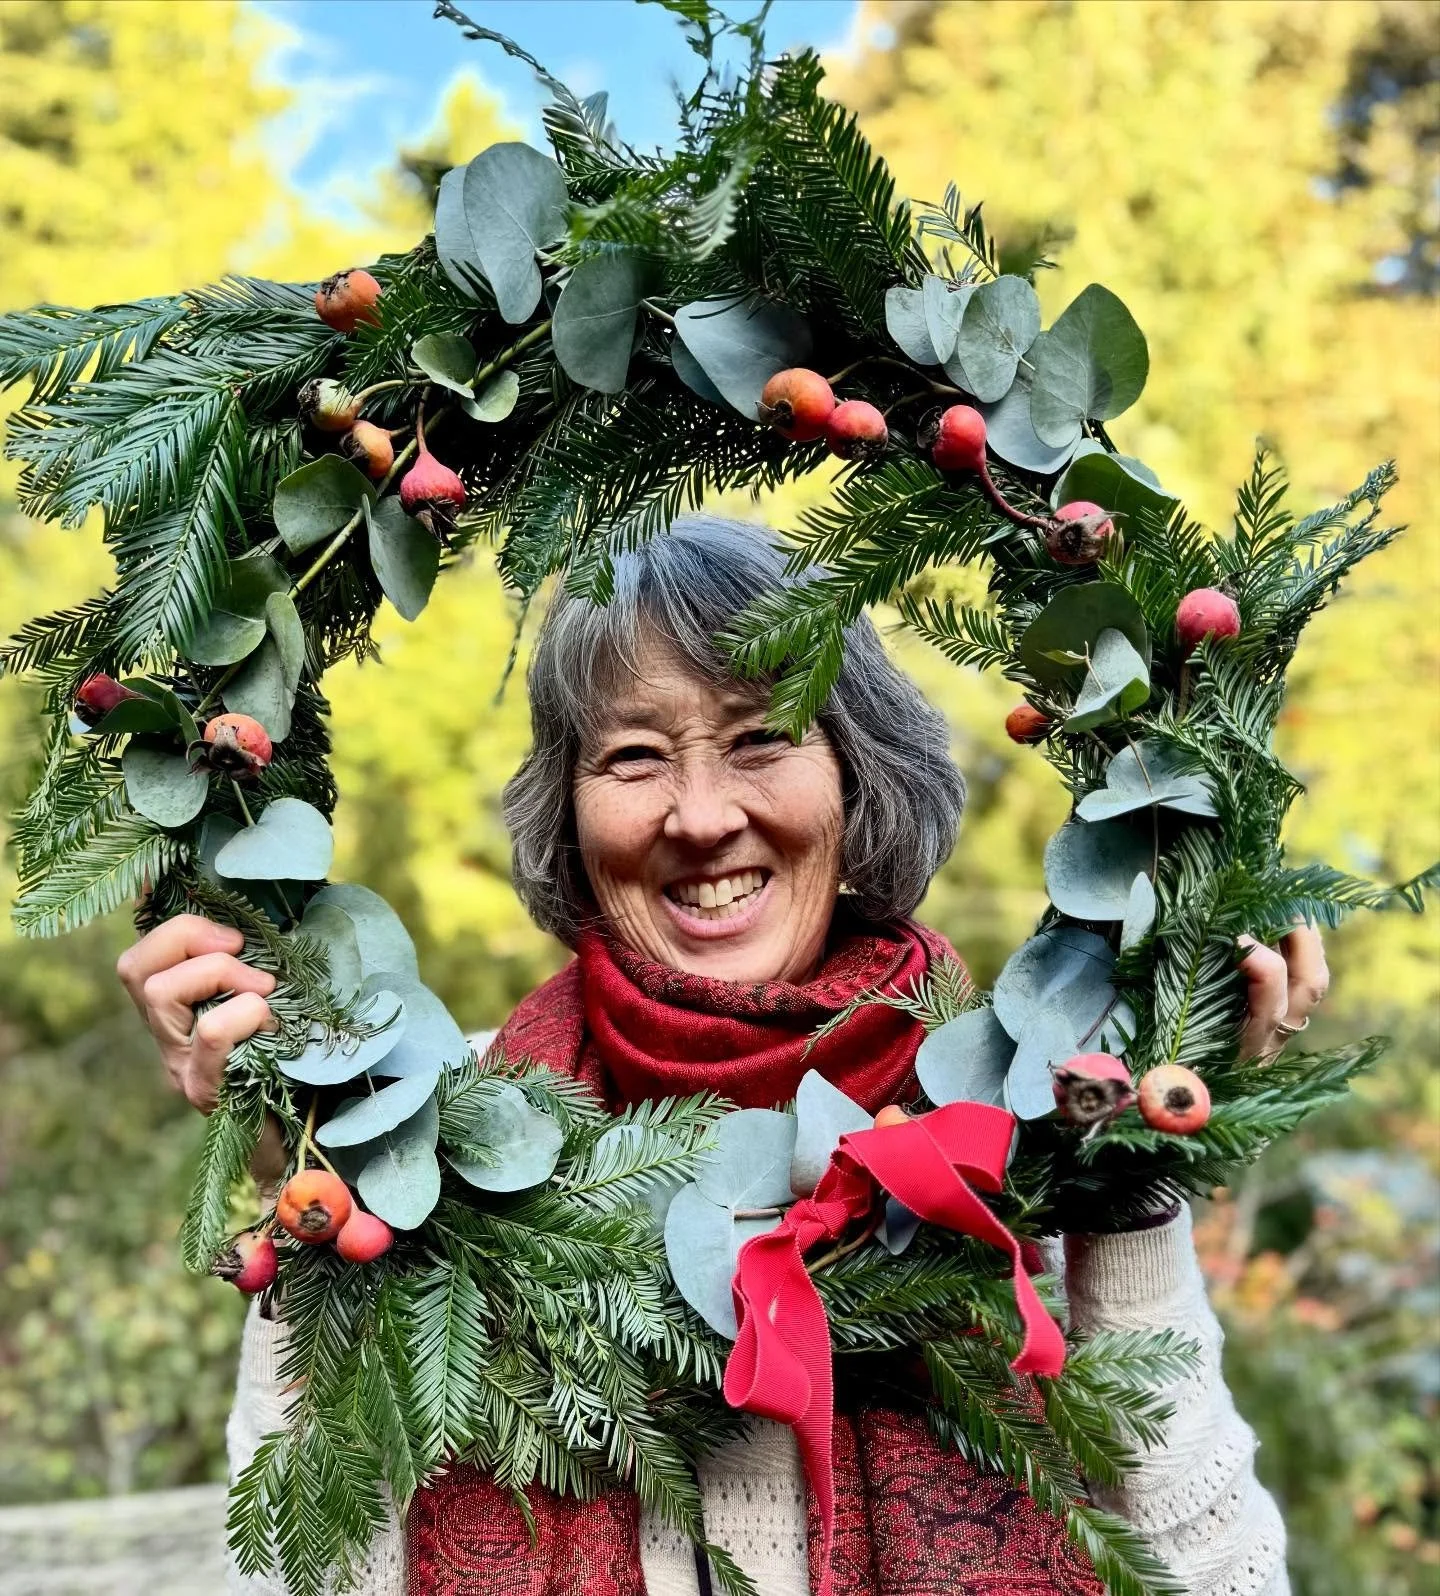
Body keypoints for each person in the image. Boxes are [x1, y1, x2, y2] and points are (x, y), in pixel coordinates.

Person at [118, 517, 1328, 1596]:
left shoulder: (1023, 1130)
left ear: (860, 778)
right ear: (570, 810)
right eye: (634, 756)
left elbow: (1211, 1575)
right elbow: (304, 1568)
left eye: (761, 740)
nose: (700, 816)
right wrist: (313, 1162)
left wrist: (1130, 1174)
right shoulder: (428, 1136)